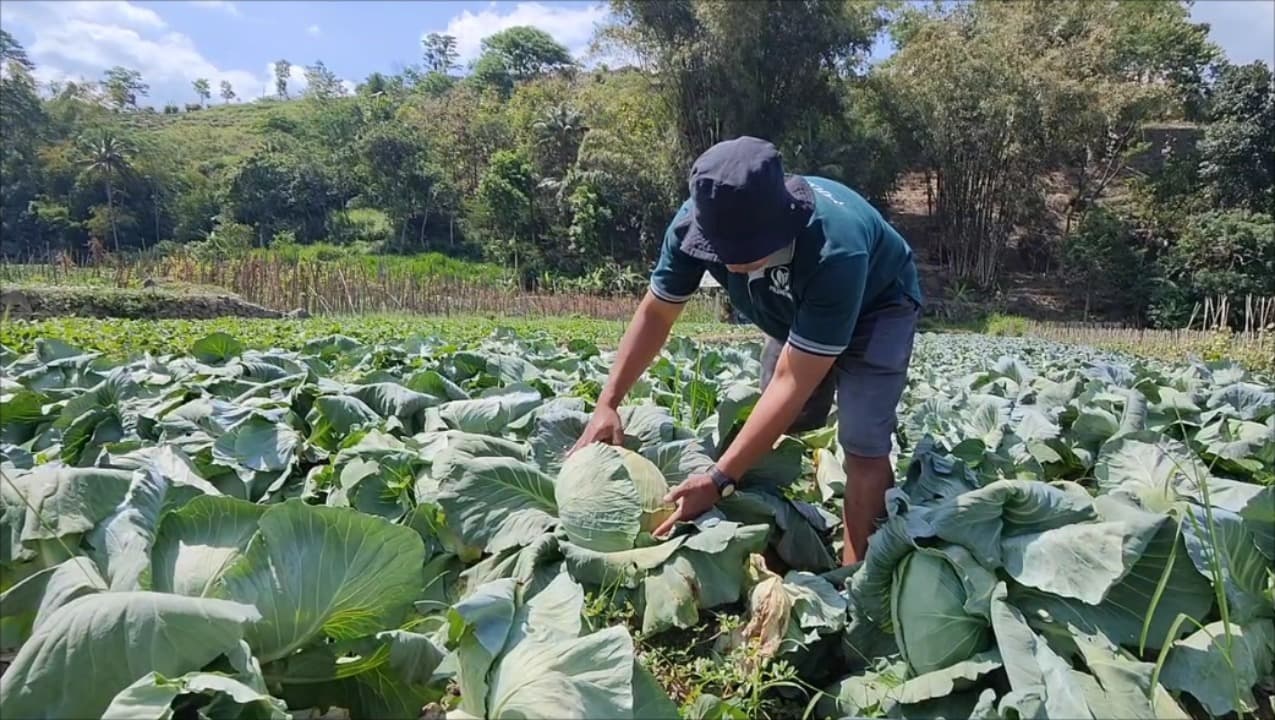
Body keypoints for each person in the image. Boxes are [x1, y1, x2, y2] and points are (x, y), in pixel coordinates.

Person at [570, 136, 922, 566]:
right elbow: (657, 315)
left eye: (744, 251)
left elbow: (793, 378)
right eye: (719, 250)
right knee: (785, 424)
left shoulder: (836, 248)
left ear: (780, 225)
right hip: (795, 311)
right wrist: (608, 402)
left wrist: (719, 479)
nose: (730, 264)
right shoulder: (693, 224)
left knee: (864, 443)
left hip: (878, 305)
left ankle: (858, 577)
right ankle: (788, 523)